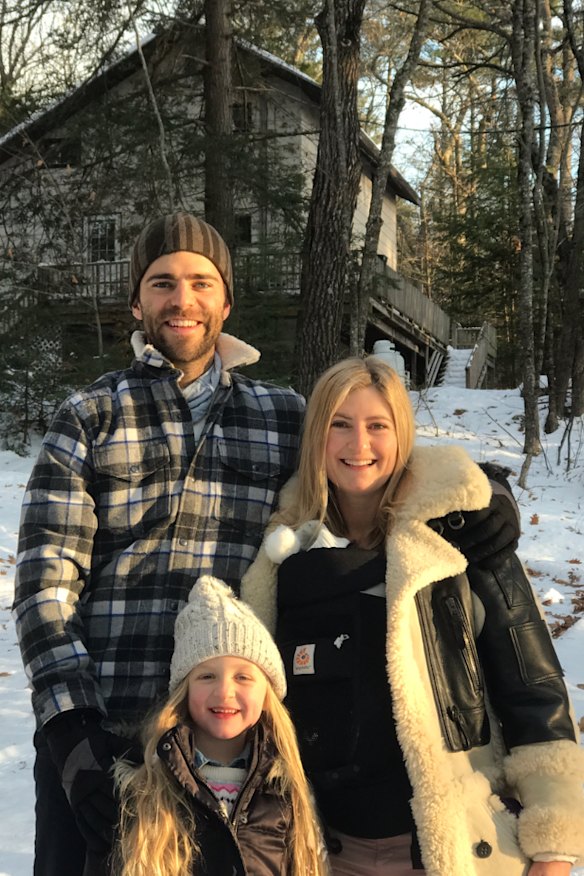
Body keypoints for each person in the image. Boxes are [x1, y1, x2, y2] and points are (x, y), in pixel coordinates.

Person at [12, 212, 305, 876]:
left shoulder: (283, 417)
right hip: (104, 739)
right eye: (163, 282)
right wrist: (72, 733)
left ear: (226, 302)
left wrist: (477, 495)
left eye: (201, 283)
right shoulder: (90, 415)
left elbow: (373, 464)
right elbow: (44, 587)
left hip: (229, 748)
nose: (182, 299)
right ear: (136, 303)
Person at [240, 356, 584, 876]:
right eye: (340, 424)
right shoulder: (282, 558)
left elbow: (534, 691)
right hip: (323, 850)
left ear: (401, 435)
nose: (359, 444)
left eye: (378, 426)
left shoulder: (462, 539)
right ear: (316, 437)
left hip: (452, 847)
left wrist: (554, 843)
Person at [112, 574, 328, 876]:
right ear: (184, 691)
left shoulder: (286, 787)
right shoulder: (151, 784)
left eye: (243, 677)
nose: (225, 691)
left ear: (267, 695)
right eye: (207, 676)